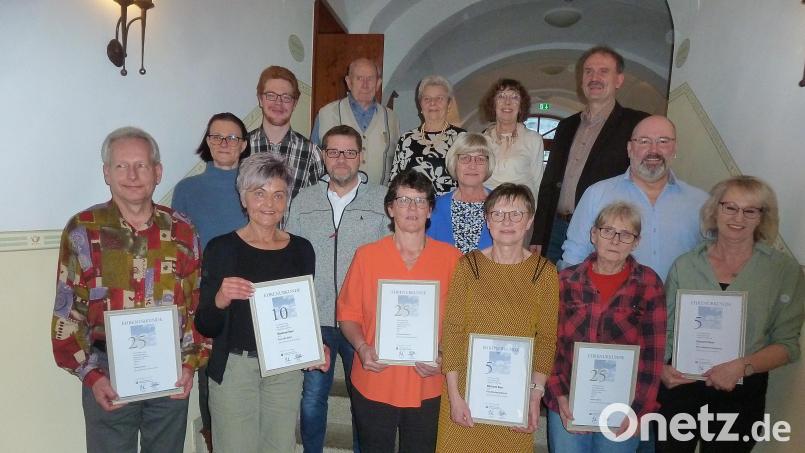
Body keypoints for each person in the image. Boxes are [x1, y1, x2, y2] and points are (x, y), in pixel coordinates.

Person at [51, 127, 204, 453]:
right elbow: (68, 311)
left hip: (170, 373)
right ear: (107, 173)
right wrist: (91, 376)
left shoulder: (183, 229)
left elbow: (196, 304)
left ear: (158, 172)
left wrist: (190, 364)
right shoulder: (84, 229)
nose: (132, 175)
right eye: (121, 166)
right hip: (106, 372)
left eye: (142, 165)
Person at [657, 176, 804, 452]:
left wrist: (741, 366)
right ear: (715, 210)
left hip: (741, 392)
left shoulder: (783, 271)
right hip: (680, 387)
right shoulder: (685, 265)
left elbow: (787, 345)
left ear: (762, 217)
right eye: (730, 207)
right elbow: (665, 329)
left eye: (750, 210)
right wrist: (661, 370)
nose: (739, 218)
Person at [194, 153, 329, 453]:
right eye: (260, 193)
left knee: (280, 448)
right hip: (235, 369)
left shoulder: (302, 250)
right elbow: (205, 323)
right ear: (244, 198)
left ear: (287, 200)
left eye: (278, 194)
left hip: (284, 371)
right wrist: (220, 298)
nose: (269, 203)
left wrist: (314, 345)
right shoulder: (221, 248)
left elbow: (303, 313)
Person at [337, 170, 462, 452]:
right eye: (404, 200)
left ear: (430, 210)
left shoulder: (451, 259)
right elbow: (347, 314)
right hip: (375, 379)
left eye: (420, 201)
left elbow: (461, 323)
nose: (412, 208)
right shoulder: (367, 255)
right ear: (390, 208)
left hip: (427, 382)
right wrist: (361, 347)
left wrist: (444, 357)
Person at [286, 125, 389, 453]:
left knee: (363, 403)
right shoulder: (304, 200)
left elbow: (390, 259)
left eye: (349, 152)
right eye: (333, 152)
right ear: (321, 155)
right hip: (315, 319)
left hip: (362, 320)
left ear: (361, 156)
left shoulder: (382, 199)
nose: (341, 159)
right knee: (312, 401)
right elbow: (291, 258)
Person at [436, 183, 559, 453]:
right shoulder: (468, 266)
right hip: (465, 392)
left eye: (516, 213)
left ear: (529, 221)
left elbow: (547, 339)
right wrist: (455, 396)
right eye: (498, 213)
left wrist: (534, 395)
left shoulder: (545, 273)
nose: (507, 221)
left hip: (514, 396)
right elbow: (453, 330)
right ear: (487, 220)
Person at [545, 201, 666, 452]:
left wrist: (638, 410)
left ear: (636, 242)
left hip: (623, 409)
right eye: (607, 231)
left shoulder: (649, 283)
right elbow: (550, 343)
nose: (615, 240)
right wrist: (559, 394)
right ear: (593, 234)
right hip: (568, 402)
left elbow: (653, 356)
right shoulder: (566, 280)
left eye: (626, 234)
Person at [171, 112, 250, 451]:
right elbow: (180, 250)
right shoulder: (188, 190)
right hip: (207, 298)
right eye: (216, 136)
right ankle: (215, 442)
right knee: (210, 378)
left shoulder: (255, 187)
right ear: (207, 142)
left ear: (244, 145)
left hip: (250, 295)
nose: (224, 143)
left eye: (232, 137)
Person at [530, 46, 649, 263]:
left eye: (603, 71)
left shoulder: (636, 124)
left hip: (605, 232)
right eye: (588, 71)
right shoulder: (566, 125)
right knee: (556, 294)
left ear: (619, 80)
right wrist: (539, 234)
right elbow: (549, 183)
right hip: (557, 228)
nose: (594, 77)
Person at [561, 115, 709, 281]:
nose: (654, 150)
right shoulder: (596, 194)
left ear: (674, 148)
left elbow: (713, 260)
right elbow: (574, 256)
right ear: (630, 148)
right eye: (644, 141)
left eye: (663, 141)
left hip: (678, 304)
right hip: (614, 304)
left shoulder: (701, 202)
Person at [312, 57, 401, 185]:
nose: (365, 85)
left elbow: (397, 164)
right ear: (348, 82)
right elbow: (313, 161)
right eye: (359, 78)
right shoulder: (325, 114)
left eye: (370, 79)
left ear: (378, 83)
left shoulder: (392, 119)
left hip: (380, 200)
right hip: (336, 200)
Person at [249, 65, 324, 201]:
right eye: (271, 95)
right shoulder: (241, 147)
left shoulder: (312, 154)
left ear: (295, 103)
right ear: (260, 99)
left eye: (286, 97)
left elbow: (315, 209)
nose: (278, 103)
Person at [389, 75, 466, 194]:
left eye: (439, 98)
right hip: (413, 208)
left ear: (449, 104)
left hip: (448, 208)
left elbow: (470, 180)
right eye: (427, 99)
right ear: (420, 105)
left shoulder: (462, 138)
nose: (432, 103)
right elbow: (395, 182)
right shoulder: (407, 139)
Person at [427, 132, 494, 254]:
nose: (472, 165)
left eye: (480, 159)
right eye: (465, 158)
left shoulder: (501, 205)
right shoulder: (435, 207)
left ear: (488, 165)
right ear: (454, 163)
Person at [480, 78, 544, 202]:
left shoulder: (533, 139)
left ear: (521, 106)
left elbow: (538, 183)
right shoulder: (482, 140)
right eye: (501, 96)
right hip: (487, 209)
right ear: (493, 104)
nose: (507, 102)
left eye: (515, 97)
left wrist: (533, 217)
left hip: (521, 211)